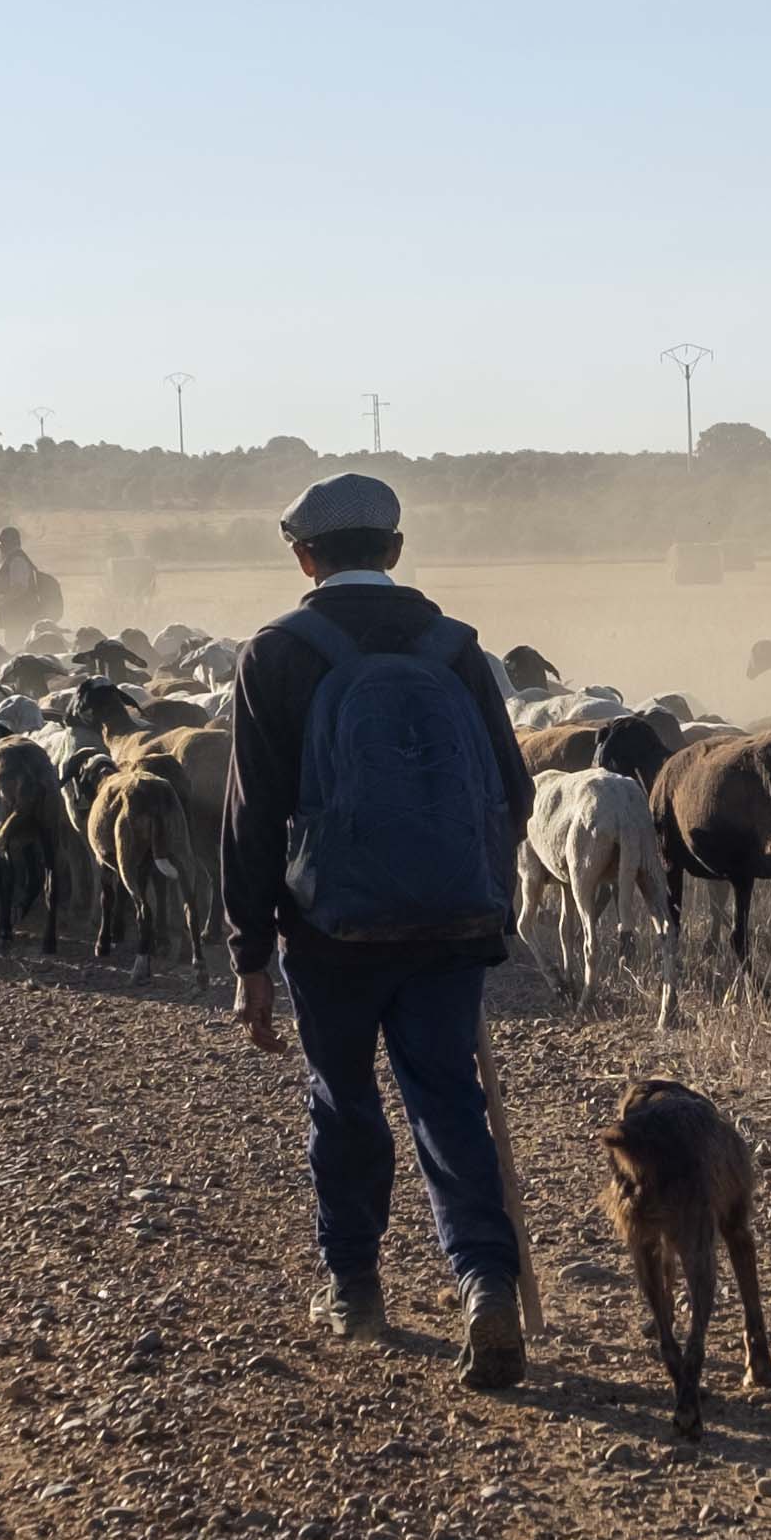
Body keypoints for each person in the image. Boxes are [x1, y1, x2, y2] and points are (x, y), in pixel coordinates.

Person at [224, 472, 536, 1387]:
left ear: (302, 555)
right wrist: (476, 895)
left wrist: (248, 955)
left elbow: (250, 818)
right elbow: (514, 794)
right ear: (396, 551)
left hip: (331, 930)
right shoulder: (456, 648)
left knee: (344, 1098)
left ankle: (355, 1285)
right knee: (449, 1099)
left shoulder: (277, 651)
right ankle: (485, 1283)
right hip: (451, 922)